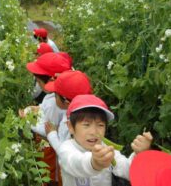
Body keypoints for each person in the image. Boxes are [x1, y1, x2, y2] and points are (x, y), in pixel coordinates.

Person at [57, 94, 153, 186]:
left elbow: (129, 171)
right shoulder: (66, 149)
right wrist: (94, 162)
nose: (94, 131)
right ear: (70, 127)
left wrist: (140, 154)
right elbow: (76, 163)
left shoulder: (108, 150)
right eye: (86, 125)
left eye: (100, 125)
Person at [20, 52, 72, 186]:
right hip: (55, 145)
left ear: (50, 80)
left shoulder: (56, 103)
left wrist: (28, 120)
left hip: (53, 149)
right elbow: (45, 108)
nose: (38, 84)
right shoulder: (57, 96)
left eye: (38, 81)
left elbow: (48, 130)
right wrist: (37, 108)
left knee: (50, 174)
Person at [44, 70, 92, 153]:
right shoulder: (76, 113)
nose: (54, 98)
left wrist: (52, 135)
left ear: (67, 103)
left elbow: (66, 154)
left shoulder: (76, 126)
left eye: (55, 96)